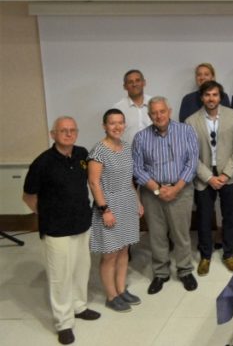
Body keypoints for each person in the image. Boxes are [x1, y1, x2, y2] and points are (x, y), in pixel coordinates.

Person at [23, 117, 101, 345]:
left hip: (81, 224)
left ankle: (79, 306)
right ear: (53, 134)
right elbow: (28, 196)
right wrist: (47, 214)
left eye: (72, 130)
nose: (68, 134)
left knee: (80, 269)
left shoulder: (81, 154)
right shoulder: (42, 163)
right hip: (56, 230)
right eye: (63, 131)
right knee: (60, 277)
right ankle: (64, 322)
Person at [132, 97, 199, 295]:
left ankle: (185, 270)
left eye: (162, 111)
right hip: (152, 194)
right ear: (149, 115)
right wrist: (157, 189)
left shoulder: (186, 131)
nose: (158, 116)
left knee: (181, 234)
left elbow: (192, 162)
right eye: (154, 113)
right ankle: (160, 273)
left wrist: (176, 188)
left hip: (181, 190)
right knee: (157, 235)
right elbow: (137, 168)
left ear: (169, 111)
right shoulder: (141, 137)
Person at [184, 81, 233, 275]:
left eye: (215, 95)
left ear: (220, 96)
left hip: (229, 174)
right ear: (202, 97)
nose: (211, 98)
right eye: (207, 95)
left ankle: (228, 253)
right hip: (204, 177)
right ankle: (205, 256)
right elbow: (191, 155)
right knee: (204, 218)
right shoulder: (191, 121)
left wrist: (225, 174)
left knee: (230, 216)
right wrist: (209, 177)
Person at [88, 109, 142, 313]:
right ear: (104, 126)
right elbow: (94, 183)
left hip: (126, 202)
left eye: (121, 122)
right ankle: (111, 296)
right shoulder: (98, 151)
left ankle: (121, 290)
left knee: (124, 249)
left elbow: (129, 179)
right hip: (108, 204)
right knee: (110, 253)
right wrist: (105, 210)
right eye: (112, 123)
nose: (117, 127)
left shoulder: (126, 147)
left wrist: (136, 201)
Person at [112, 69, 152, 143]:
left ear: (144, 83)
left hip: (153, 152)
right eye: (130, 82)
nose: (134, 84)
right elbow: (113, 135)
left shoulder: (155, 104)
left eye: (137, 80)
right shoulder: (118, 108)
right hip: (128, 153)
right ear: (125, 86)